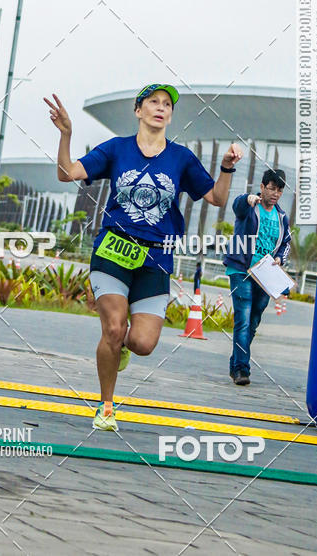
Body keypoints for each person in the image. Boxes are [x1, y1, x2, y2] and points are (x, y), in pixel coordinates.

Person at [44, 85, 242, 432]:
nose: (161, 108)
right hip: (114, 250)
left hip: (156, 258)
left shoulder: (181, 158)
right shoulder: (117, 149)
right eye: (153, 102)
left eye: (167, 104)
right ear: (138, 111)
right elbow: (67, 173)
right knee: (115, 327)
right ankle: (107, 406)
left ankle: (117, 344)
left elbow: (216, 198)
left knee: (142, 343)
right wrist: (66, 135)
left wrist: (226, 169)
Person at [223, 168, 292, 386]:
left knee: (253, 323)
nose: (275, 194)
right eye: (271, 188)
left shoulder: (282, 217)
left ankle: (236, 361)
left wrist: (280, 258)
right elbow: (237, 205)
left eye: (279, 190)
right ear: (262, 187)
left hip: (265, 276)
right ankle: (242, 370)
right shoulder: (250, 207)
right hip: (241, 270)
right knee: (242, 320)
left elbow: (286, 243)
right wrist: (247, 198)